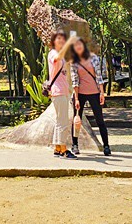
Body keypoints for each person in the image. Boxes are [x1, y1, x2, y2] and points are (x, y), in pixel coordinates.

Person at [69, 36, 111, 157]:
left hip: (94, 93)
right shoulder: (74, 62)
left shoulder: (94, 58)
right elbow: (75, 81)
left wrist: (102, 93)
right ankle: (75, 145)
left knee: (100, 120)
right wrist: (76, 98)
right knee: (76, 120)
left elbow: (99, 77)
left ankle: (106, 145)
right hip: (80, 93)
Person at [47, 30, 76, 159]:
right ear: (53, 41)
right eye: (58, 39)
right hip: (58, 91)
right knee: (63, 121)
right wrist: (70, 41)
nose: (61, 41)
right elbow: (57, 58)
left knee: (60, 121)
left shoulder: (62, 56)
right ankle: (64, 150)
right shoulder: (53, 53)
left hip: (63, 91)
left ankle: (57, 148)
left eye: (63, 39)